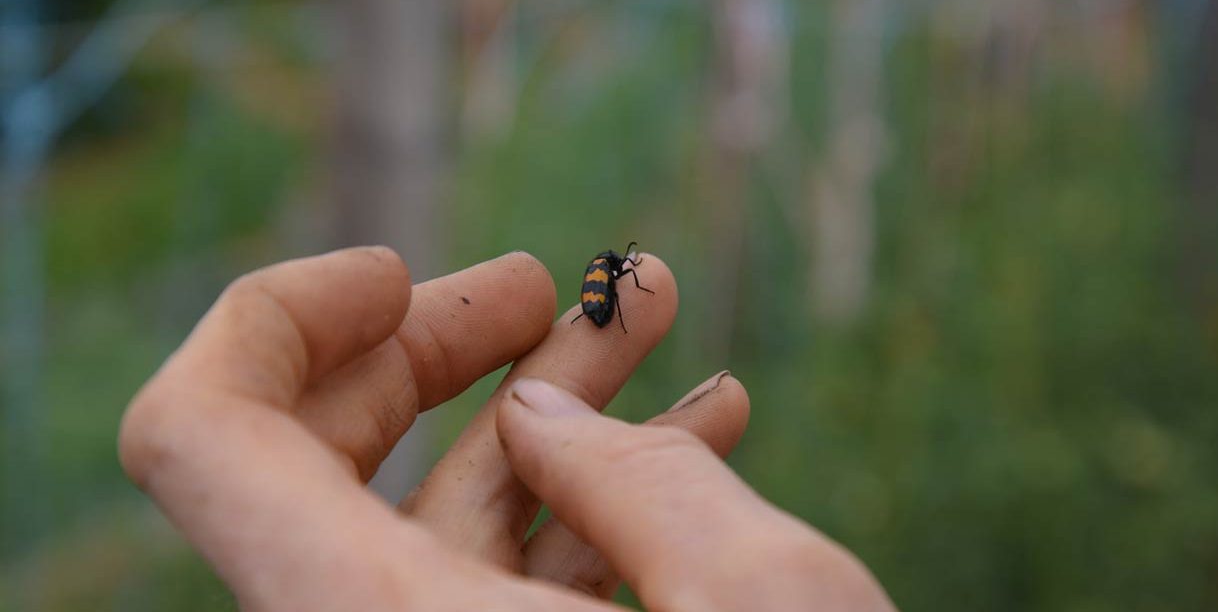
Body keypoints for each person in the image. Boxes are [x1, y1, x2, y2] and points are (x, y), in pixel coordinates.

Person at [118, 246, 897, 611]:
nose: (612, 273)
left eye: (610, 270)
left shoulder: (606, 278)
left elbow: (610, 297)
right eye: (614, 268)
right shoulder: (613, 277)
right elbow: (614, 297)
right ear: (613, 266)